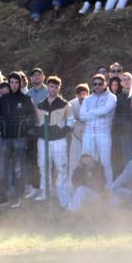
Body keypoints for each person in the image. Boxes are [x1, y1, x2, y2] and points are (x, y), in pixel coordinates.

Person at [0, 72, 37, 209]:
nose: (14, 85)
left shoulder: (26, 99)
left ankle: (18, 198)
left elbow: (33, 119)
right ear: (8, 83)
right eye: (11, 82)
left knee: (18, 170)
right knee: (2, 169)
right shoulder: (3, 99)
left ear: (21, 83)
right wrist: (0, 127)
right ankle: (3, 199)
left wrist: (23, 128)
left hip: (19, 139)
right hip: (4, 139)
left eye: (17, 82)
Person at [35, 76, 73, 206]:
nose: (54, 89)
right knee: (43, 167)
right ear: (48, 87)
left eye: (56, 87)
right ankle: (45, 193)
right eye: (51, 86)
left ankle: (63, 197)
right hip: (43, 140)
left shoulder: (65, 104)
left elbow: (71, 122)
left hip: (59, 141)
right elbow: (36, 122)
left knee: (61, 167)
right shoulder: (40, 104)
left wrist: (61, 131)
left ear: (59, 88)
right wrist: (39, 131)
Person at [80, 74, 117, 183]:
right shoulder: (87, 99)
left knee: (106, 162)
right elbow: (82, 116)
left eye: (100, 84)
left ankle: (109, 188)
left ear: (105, 83)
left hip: (104, 133)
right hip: (89, 133)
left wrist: (89, 113)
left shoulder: (111, 97)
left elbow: (105, 111)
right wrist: (97, 114)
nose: (97, 86)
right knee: (88, 161)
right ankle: (92, 186)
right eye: (95, 84)